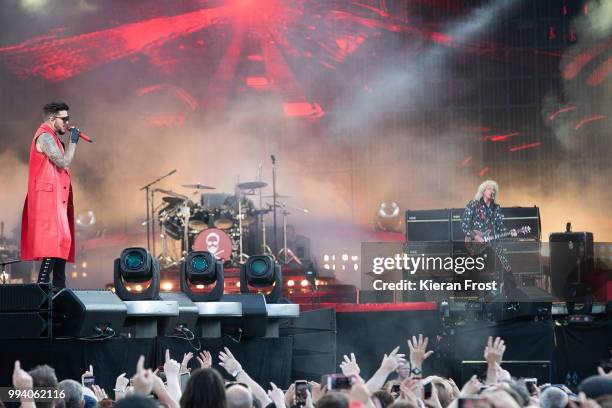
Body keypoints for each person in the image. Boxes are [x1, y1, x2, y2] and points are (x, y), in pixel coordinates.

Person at [21, 102, 82, 290]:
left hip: (57, 200)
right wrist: (73, 142)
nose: (67, 122)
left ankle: (59, 291)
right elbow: (63, 163)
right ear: (52, 119)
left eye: (68, 118)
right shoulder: (45, 137)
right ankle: (40, 296)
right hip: (47, 202)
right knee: (53, 245)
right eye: (64, 119)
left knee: (62, 244)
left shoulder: (54, 138)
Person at [461, 180, 517, 294]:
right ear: (483, 191)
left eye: (494, 189)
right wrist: (476, 236)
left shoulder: (496, 208)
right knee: (476, 271)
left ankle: (511, 295)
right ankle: (474, 297)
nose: (492, 191)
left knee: (506, 266)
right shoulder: (473, 205)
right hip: (476, 245)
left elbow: (500, 227)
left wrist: (510, 232)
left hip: (493, 243)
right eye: (489, 188)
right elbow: (464, 225)